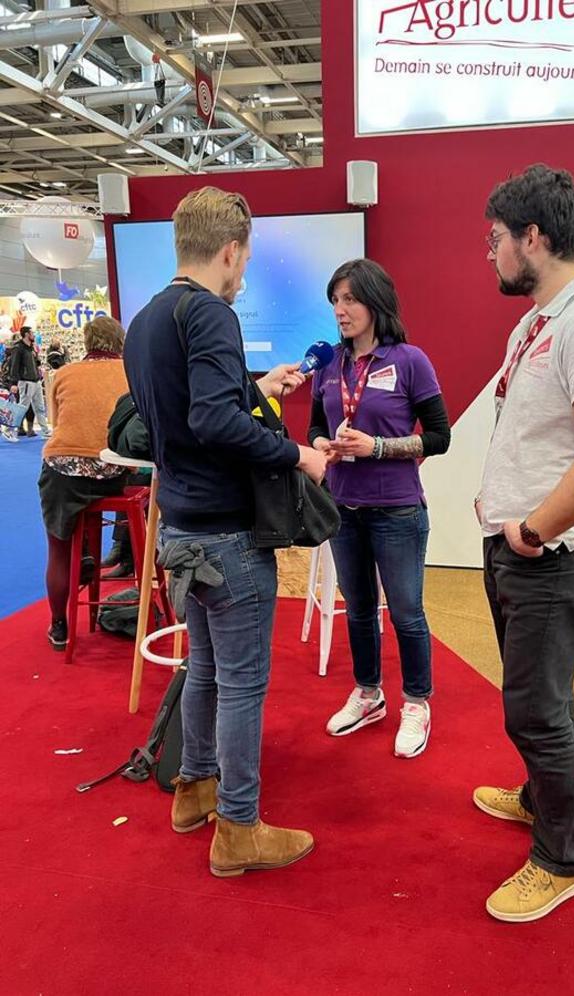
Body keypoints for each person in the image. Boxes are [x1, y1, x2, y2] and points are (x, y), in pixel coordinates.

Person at [124, 186, 327, 878]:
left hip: (179, 526)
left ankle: (194, 791)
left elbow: (186, 412)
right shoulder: (210, 312)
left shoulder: (150, 318)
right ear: (231, 250)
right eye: (243, 261)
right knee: (242, 682)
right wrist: (298, 452)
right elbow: (212, 421)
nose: (241, 275)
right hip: (227, 538)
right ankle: (238, 826)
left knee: (208, 668)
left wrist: (255, 387)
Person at [473, 165, 574, 922]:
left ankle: (560, 859)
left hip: (549, 550)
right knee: (535, 699)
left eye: (497, 239)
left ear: (532, 238)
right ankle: (540, 799)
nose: (490, 253)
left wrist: (533, 531)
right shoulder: (538, 318)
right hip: (516, 544)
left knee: (533, 711)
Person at [308, 258, 450, 758]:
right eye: (335, 300)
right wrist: (324, 443)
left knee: (407, 613)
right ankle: (368, 693)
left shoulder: (410, 360)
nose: (340, 310)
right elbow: (311, 429)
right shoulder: (329, 364)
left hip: (397, 510)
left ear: (375, 301)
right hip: (343, 508)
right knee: (359, 610)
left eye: (349, 299)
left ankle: (416, 702)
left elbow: (439, 437)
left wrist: (379, 448)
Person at [38, 316, 130, 650]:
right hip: (115, 470)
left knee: (58, 549)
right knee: (138, 497)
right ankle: (130, 571)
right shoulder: (131, 372)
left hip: (63, 469)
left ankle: (59, 625)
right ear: (120, 342)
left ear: (88, 343)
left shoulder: (62, 374)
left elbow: (56, 421)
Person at [9, 326, 51, 438]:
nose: (34, 335)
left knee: (40, 407)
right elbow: (14, 366)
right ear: (27, 334)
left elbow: (36, 363)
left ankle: (45, 431)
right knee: (22, 408)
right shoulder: (18, 348)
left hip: (36, 381)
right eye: (32, 333)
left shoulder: (31, 347)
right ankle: (10, 430)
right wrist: (13, 383)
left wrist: (36, 357)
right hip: (26, 382)